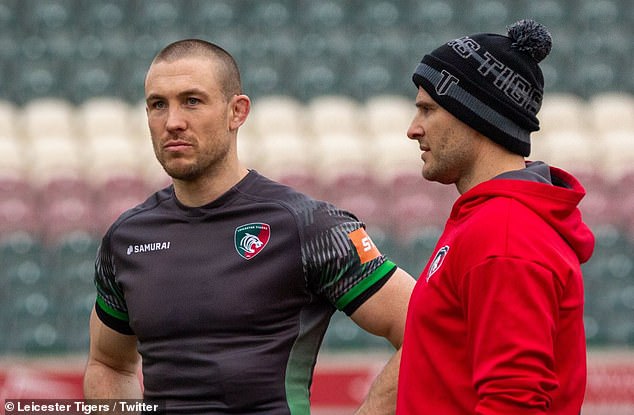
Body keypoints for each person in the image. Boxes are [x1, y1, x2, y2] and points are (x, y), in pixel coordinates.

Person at [82, 39, 416, 414]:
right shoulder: (127, 238)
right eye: (158, 104)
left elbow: (425, 330)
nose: (173, 121)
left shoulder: (307, 226)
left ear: (237, 112)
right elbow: (108, 363)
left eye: (192, 100)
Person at [396, 20, 595, 414]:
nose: (413, 129)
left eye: (427, 109)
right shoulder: (490, 219)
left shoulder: (503, 234)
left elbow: (514, 402)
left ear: (474, 116)